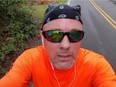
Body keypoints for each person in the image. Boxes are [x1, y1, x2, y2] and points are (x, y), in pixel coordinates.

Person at [0, 4, 116, 87]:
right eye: (54, 35)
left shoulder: (96, 65)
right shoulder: (30, 59)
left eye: (75, 35)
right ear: (42, 37)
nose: (65, 45)